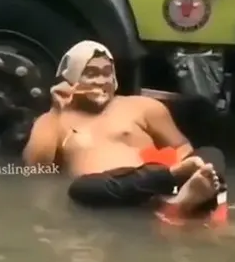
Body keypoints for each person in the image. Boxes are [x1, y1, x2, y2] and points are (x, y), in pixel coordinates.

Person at [22, 40, 223, 221]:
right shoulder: (54, 120)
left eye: (106, 73)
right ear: (72, 79)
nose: (101, 81)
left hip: (158, 182)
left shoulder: (142, 106)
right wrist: (56, 110)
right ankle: (179, 202)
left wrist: (182, 174)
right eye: (91, 74)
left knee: (211, 155)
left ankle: (185, 195)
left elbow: (181, 147)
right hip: (106, 191)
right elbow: (37, 169)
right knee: (80, 188)